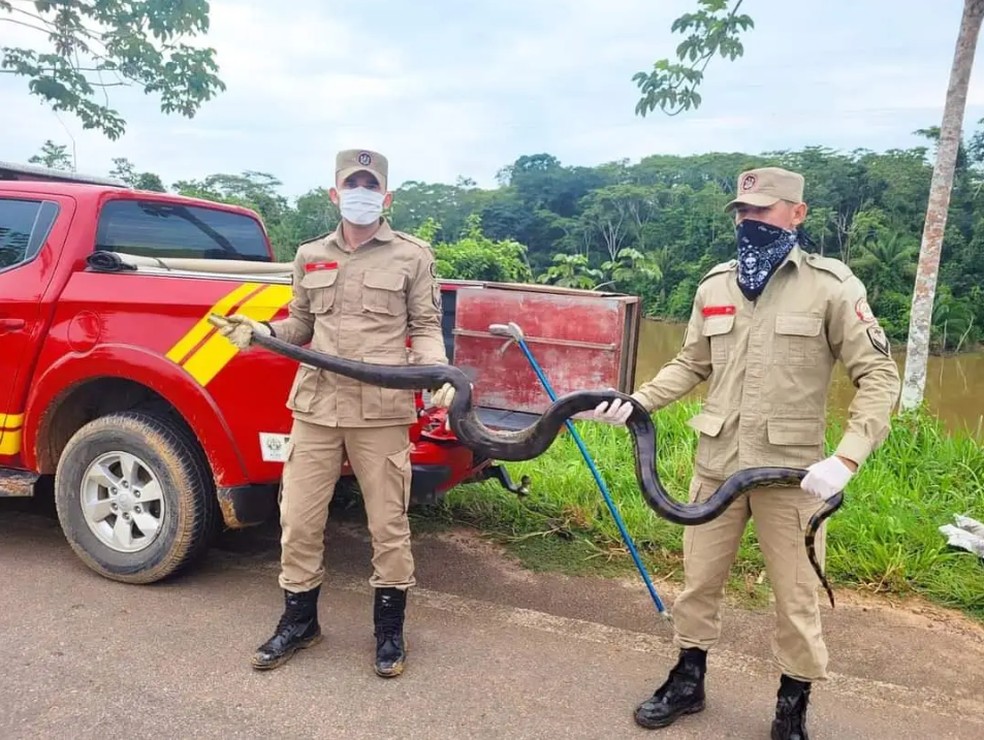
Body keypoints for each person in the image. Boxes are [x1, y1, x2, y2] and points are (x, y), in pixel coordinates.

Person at [590, 166, 901, 739]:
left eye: (761, 210)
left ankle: (791, 706)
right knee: (698, 582)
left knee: (796, 597)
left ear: (797, 214)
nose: (748, 221)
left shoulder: (833, 287)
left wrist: (847, 458)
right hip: (716, 465)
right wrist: (636, 402)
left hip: (793, 477)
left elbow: (879, 375)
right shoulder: (715, 286)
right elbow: (691, 363)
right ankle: (687, 680)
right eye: (742, 211)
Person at [217, 149, 455, 678]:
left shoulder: (413, 256)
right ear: (335, 193)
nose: (362, 193)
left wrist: (437, 374)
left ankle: (389, 632)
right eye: (353, 184)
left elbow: (425, 326)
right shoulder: (309, 255)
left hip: (382, 411)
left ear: (386, 197)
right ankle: (300, 623)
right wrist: (261, 334)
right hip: (317, 407)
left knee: (387, 525)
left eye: (372, 186)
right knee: (297, 519)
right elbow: (299, 324)